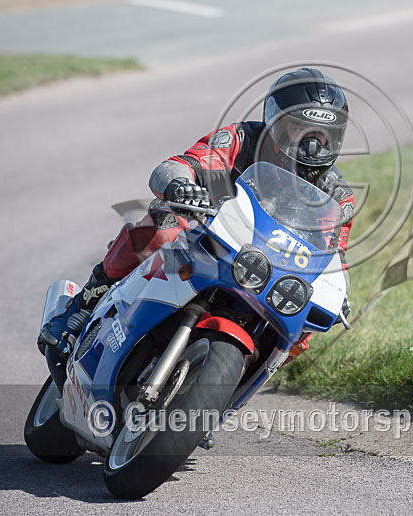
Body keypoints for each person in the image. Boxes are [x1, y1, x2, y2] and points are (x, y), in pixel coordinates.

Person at [38, 67, 355, 369]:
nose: (312, 144)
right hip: (207, 238)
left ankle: (232, 389)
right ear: (276, 123)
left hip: (265, 268)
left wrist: (339, 292)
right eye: (300, 129)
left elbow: (334, 258)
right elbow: (180, 165)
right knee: (162, 227)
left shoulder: (337, 195)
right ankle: (85, 302)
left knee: (303, 324)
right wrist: (181, 185)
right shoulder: (241, 141)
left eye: (322, 134)